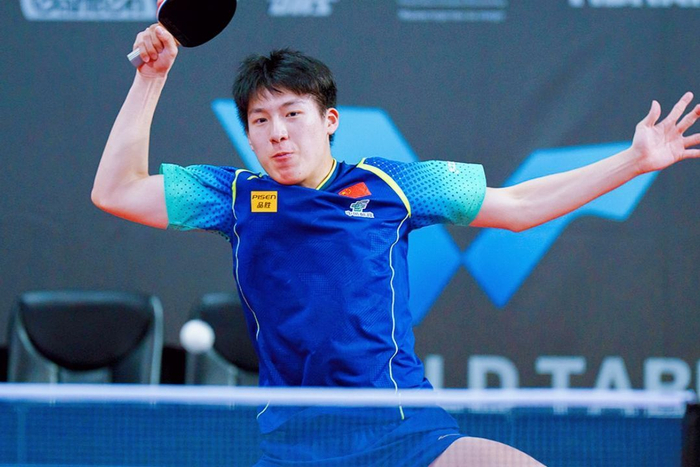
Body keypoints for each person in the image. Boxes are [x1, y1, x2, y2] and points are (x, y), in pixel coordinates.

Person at [92, 24, 700, 467]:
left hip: (404, 431)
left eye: (293, 114)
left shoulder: (391, 186)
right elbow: (115, 191)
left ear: (329, 120)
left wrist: (633, 162)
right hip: (296, 444)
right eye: (260, 120)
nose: (277, 133)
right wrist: (151, 78)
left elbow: (517, 208)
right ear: (248, 135)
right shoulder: (235, 197)